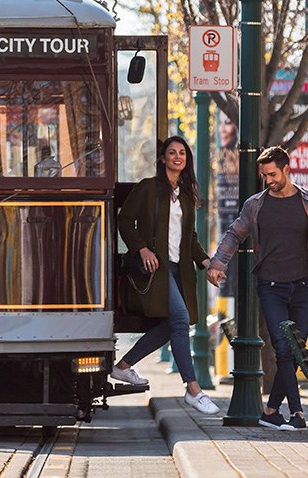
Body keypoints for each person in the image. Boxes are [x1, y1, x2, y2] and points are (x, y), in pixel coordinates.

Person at [207, 146, 308, 431]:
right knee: (282, 347)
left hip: (301, 287)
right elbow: (234, 233)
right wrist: (218, 263)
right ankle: (298, 414)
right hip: (270, 286)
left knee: (296, 351)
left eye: (272, 174)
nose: (268, 180)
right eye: (264, 175)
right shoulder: (255, 205)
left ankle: (270, 411)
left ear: (287, 170)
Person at [111, 136, 220, 416]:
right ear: (162, 159)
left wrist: (208, 263)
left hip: (178, 270)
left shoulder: (186, 194)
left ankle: (122, 367)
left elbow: (191, 238)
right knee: (181, 319)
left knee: (173, 324)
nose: (177, 156)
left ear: (187, 159)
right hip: (155, 272)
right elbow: (124, 220)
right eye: (171, 152)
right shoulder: (148, 188)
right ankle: (193, 389)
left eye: (182, 153)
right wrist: (142, 248)